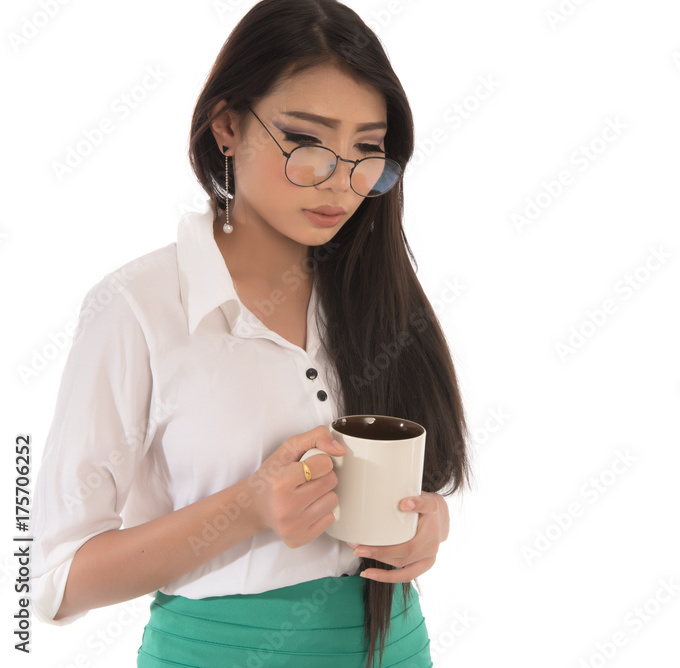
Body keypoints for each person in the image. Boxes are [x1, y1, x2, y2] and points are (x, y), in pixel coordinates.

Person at [29, 1, 474, 666]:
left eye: (366, 151)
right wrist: (247, 507)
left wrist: (425, 526)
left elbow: (425, 485)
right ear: (228, 125)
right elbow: (49, 583)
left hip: (399, 646)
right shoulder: (137, 309)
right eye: (305, 142)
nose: (340, 183)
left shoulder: (378, 291)